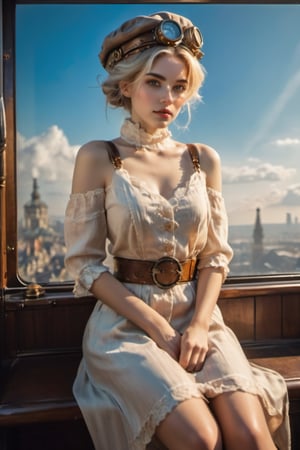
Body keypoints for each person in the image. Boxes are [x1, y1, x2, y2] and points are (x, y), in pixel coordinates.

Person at [64, 11, 290, 450]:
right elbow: (86, 264)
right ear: (126, 86)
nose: (167, 97)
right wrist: (161, 330)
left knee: (249, 433)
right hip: (127, 326)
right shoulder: (97, 157)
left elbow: (214, 257)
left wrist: (201, 325)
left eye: (179, 86)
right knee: (199, 437)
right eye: (154, 82)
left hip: (198, 317)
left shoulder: (204, 159)